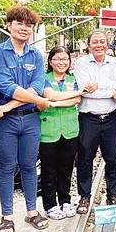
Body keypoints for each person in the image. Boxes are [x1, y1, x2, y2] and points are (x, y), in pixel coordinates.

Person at [0, 6, 52, 232]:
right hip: (6, 122)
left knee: (28, 166)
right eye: (19, 23)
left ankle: (32, 211)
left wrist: (9, 104)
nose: (24, 28)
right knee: (6, 167)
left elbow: (37, 86)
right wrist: (32, 100)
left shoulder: (35, 55)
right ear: (9, 25)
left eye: (28, 25)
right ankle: (7, 216)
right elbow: (5, 86)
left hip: (30, 120)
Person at [74, 31, 116, 213]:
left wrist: (99, 87)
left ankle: (113, 193)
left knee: (112, 159)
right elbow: (85, 89)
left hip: (111, 118)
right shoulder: (81, 63)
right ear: (89, 45)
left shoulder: (115, 62)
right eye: (95, 42)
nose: (99, 45)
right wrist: (110, 91)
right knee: (85, 159)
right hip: (89, 119)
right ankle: (84, 196)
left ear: (108, 45)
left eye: (102, 42)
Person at [40, 46, 82, 220]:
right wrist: (63, 98)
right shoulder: (43, 78)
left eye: (65, 59)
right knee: (49, 170)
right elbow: (48, 95)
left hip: (70, 130)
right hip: (48, 130)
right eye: (57, 59)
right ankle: (50, 204)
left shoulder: (73, 79)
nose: (61, 62)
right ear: (50, 61)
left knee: (66, 168)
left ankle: (65, 200)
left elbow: (77, 99)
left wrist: (53, 102)